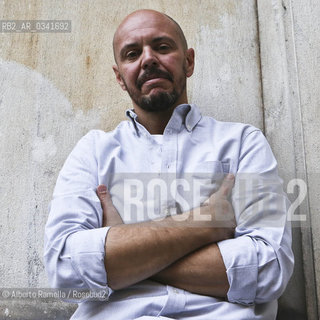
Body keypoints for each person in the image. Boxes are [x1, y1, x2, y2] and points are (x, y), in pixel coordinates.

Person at [44, 9, 294, 320]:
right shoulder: (93, 151)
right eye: (132, 53)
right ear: (119, 77)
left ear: (188, 61)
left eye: (162, 47)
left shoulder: (243, 143)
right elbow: (64, 270)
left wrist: (125, 251)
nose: (148, 59)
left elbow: (270, 269)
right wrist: (204, 225)